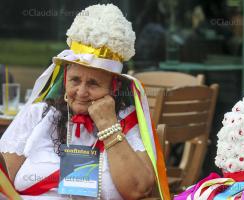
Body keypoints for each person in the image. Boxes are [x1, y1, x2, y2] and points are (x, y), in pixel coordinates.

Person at [0, 4, 170, 200]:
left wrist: (109, 126)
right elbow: (5, 184)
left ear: (113, 88)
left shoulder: (127, 122)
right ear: (65, 80)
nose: (81, 92)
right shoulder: (39, 115)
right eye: (75, 80)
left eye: (93, 83)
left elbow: (138, 190)